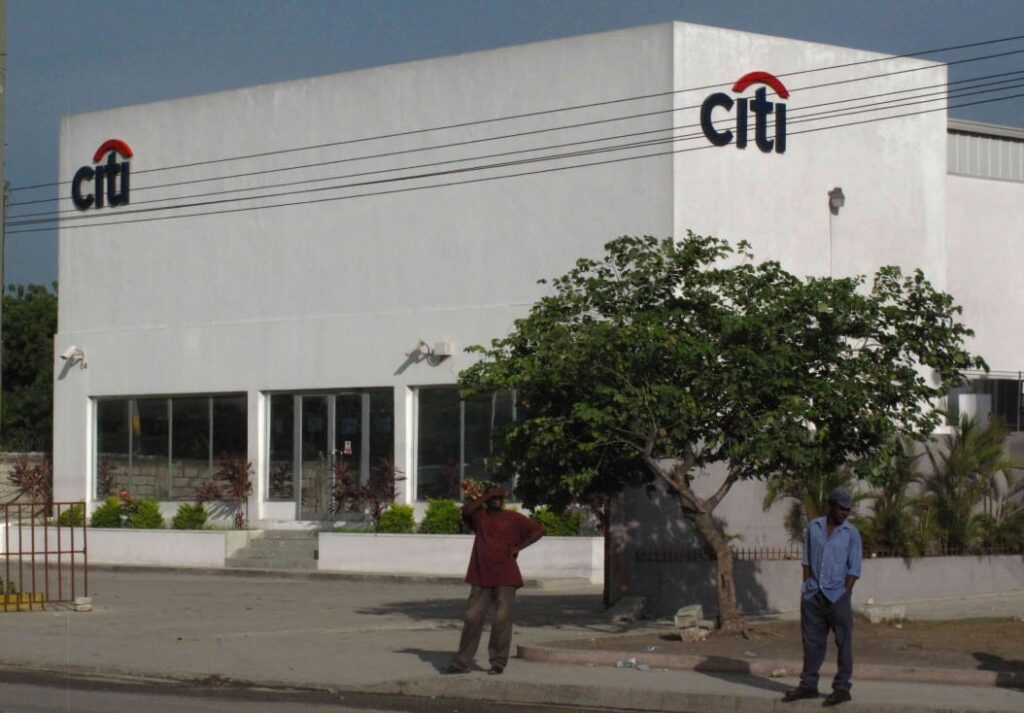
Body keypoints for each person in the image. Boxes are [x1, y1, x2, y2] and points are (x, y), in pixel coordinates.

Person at [444, 485, 545, 675]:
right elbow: (466, 511)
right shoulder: (480, 517)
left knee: (502, 618)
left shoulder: (513, 518)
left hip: (506, 575)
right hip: (480, 574)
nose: (498, 499)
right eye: (494, 497)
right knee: (472, 617)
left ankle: (498, 661)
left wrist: (518, 547)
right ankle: (462, 662)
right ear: (487, 498)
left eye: (500, 497)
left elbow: (539, 530)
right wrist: (486, 495)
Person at [783, 487, 862, 707]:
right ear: (831, 506)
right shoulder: (814, 527)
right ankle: (808, 685)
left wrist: (844, 593)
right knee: (812, 642)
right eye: (841, 509)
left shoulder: (851, 533)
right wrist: (807, 587)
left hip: (838, 597)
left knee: (843, 642)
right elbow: (807, 560)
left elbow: (854, 568)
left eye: (847, 510)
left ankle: (842, 688)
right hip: (813, 595)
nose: (844, 513)